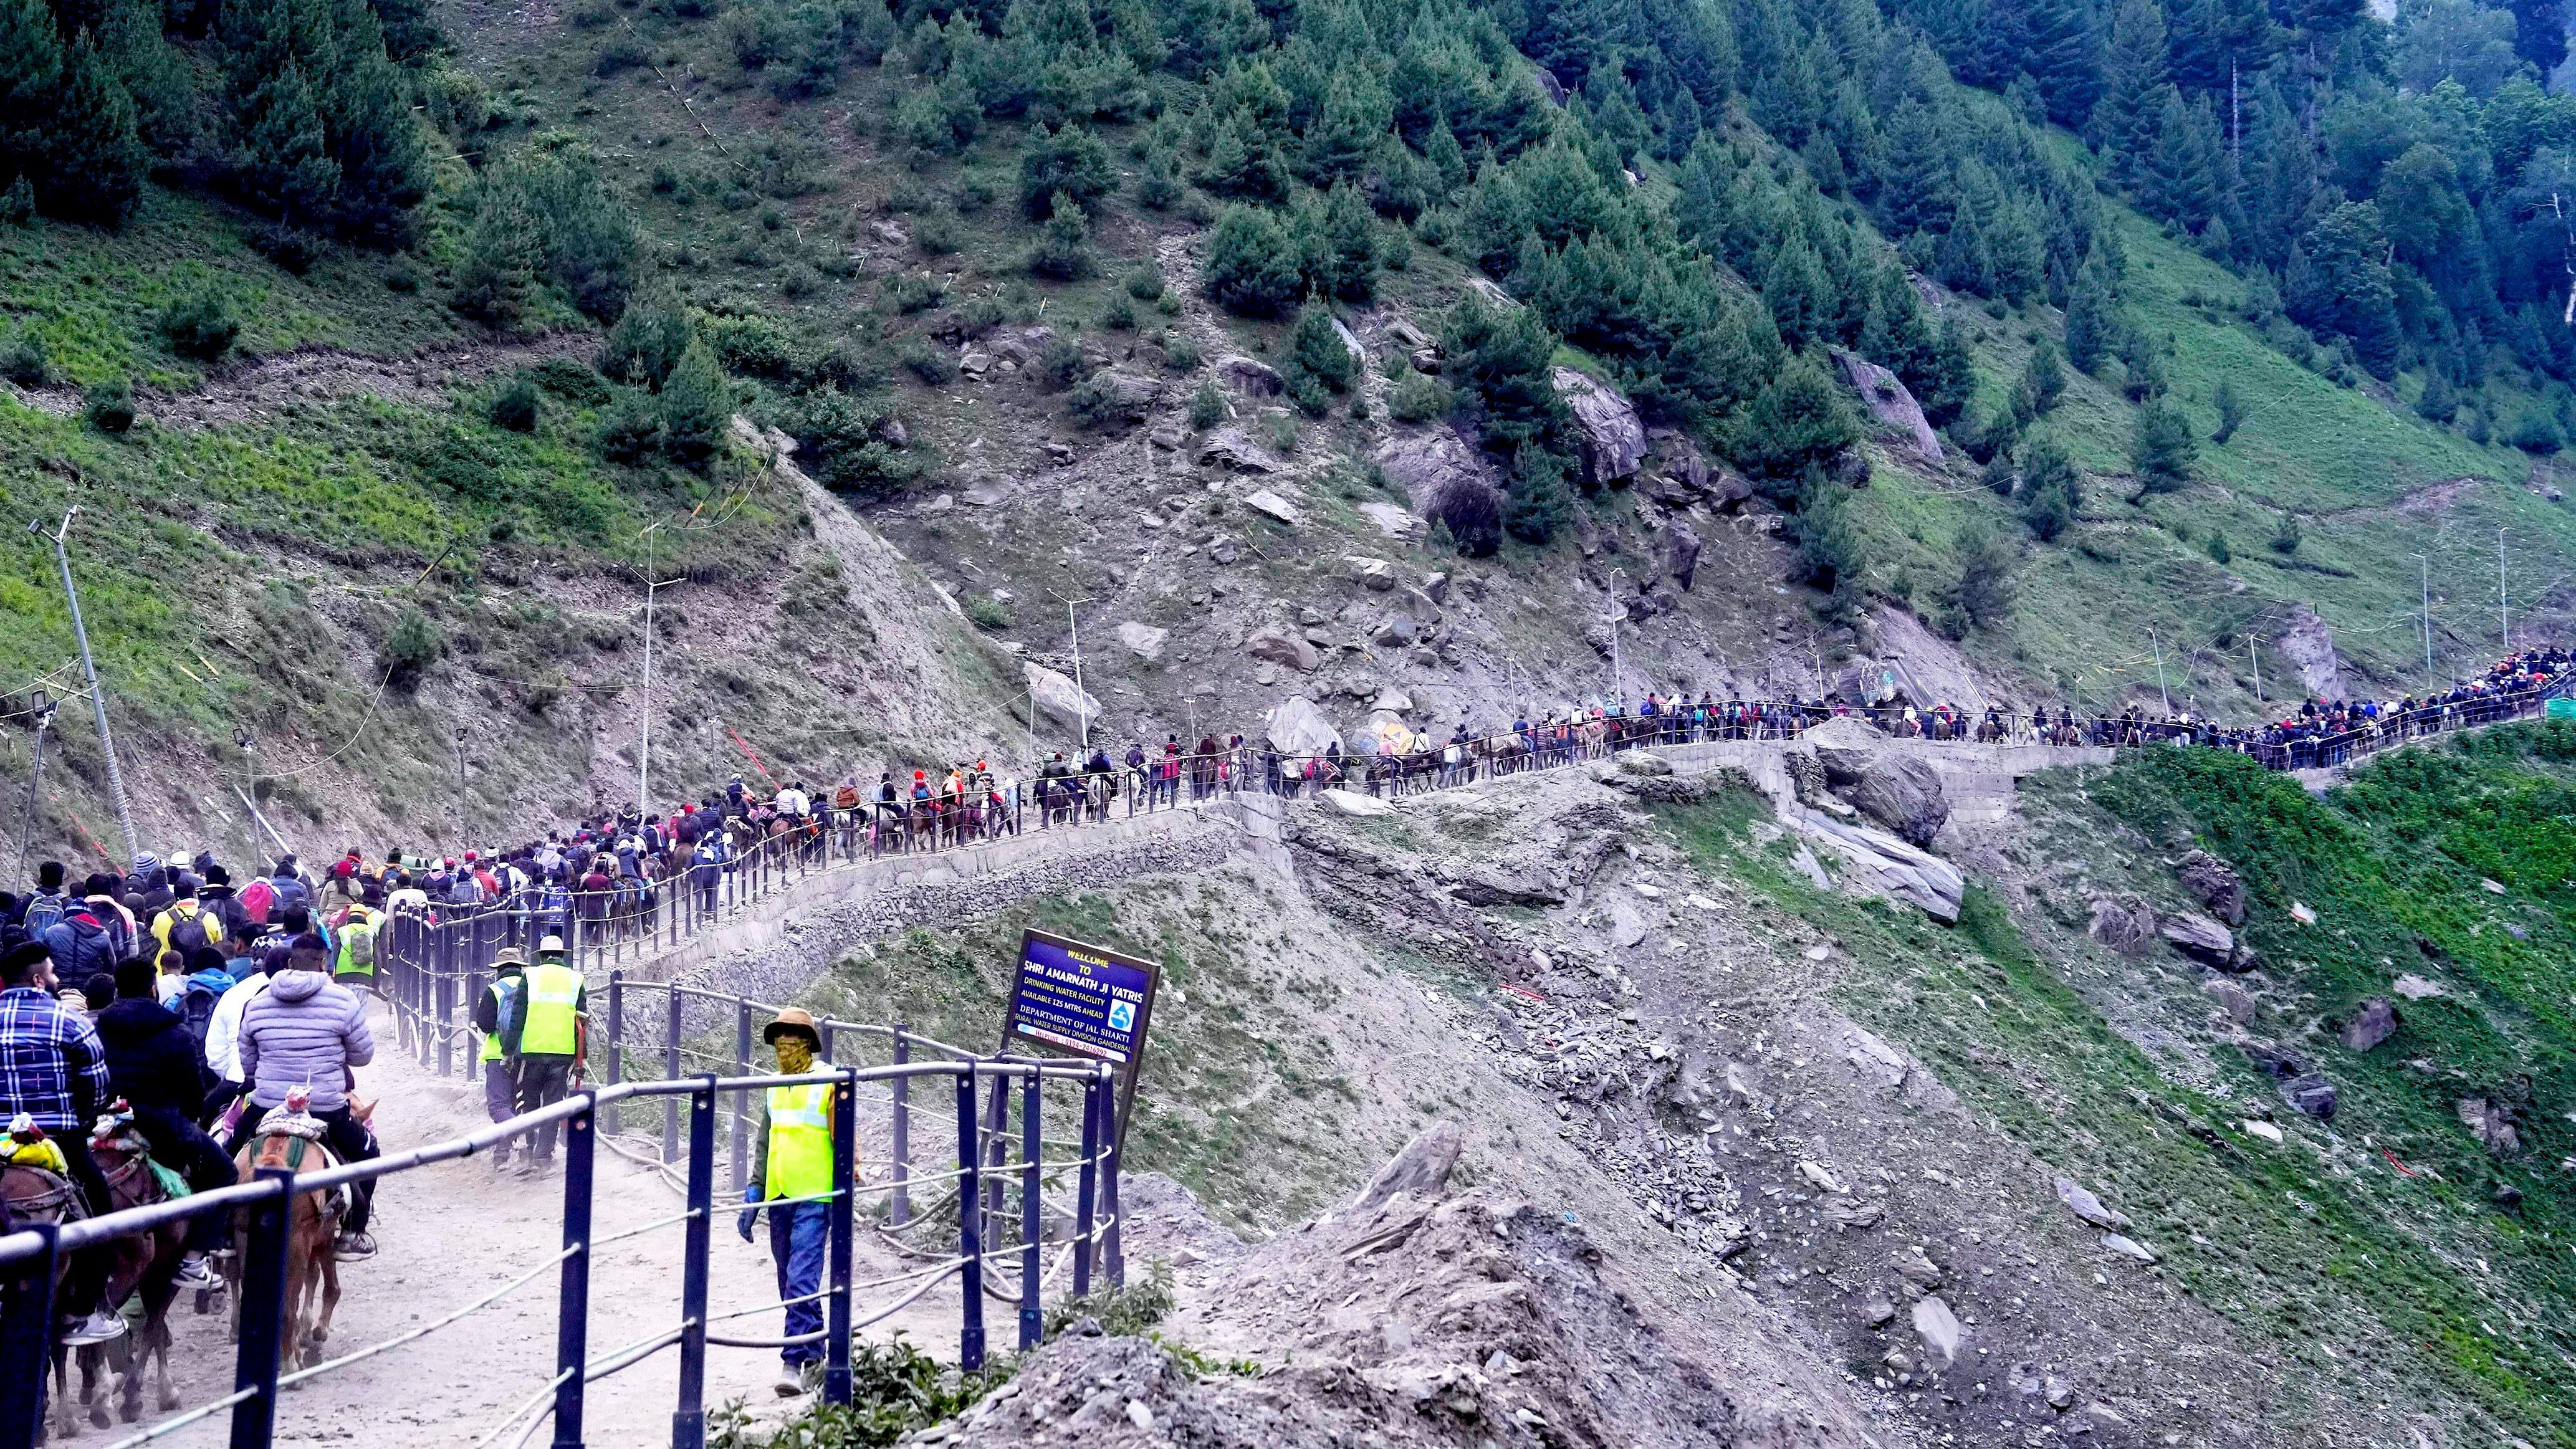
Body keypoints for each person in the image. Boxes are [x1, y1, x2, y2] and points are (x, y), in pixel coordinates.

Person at [0, 940, 128, 1345]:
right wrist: (82, 1119)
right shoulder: (68, 1021)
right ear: (38, 979)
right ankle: (81, 1312)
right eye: (53, 972)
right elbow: (98, 1085)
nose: (56, 979)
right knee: (102, 1220)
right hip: (57, 1138)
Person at [230, 933, 379, 1259]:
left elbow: (248, 1061)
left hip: (268, 1104)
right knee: (368, 1155)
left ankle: (223, 1233)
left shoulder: (257, 1002)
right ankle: (353, 1232)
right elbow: (363, 1056)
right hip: (324, 1107)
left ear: (290, 962)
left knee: (225, 1158)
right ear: (324, 962)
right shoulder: (343, 1000)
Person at [93, 958, 229, 1287]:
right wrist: (188, 1120)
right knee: (225, 1172)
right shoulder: (176, 1032)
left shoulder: (95, 1028)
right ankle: (194, 1259)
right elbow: (193, 1090)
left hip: (103, 1122)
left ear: (116, 989)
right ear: (153, 988)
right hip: (163, 1127)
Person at [736, 1008, 836, 1398]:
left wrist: (850, 1183)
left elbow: (844, 1138)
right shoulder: (773, 1086)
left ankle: (792, 1362)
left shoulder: (829, 1081)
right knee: (789, 1282)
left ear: (809, 1043)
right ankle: (817, 1354)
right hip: (780, 1195)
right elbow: (765, 1141)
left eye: (793, 1036)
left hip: (816, 1195)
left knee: (801, 1279)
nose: (785, 1043)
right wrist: (754, 1193)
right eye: (780, 1036)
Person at [512, 937, 584, 1175]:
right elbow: (581, 1024)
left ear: (541, 955)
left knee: (530, 1102)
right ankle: (544, 1154)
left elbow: (517, 1017)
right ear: (562, 955)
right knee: (553, 1104)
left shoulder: (530, 977)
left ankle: (530, 1148)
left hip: (533, 1051)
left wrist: (508, 1050)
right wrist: (581, 1057)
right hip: (562, 1053)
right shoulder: (576, 979)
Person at [471, 947, 529, 1176]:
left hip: (498, 1054)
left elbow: (484, 1024)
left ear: (499, 970)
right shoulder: (530, 986)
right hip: (527, 1052)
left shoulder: (494, 990)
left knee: (499, 1106)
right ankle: (502, 1155)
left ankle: (521, 1136)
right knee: (516, 1104)